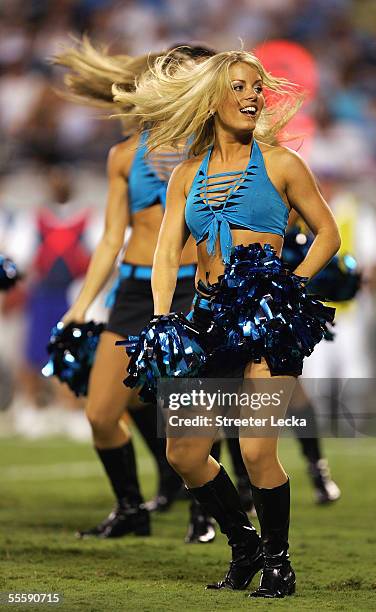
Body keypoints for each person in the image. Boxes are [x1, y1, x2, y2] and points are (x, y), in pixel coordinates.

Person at [115, 50, 340, 598]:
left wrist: (290, 285)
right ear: (212, 97)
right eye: (239, 86)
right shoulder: (186, 174)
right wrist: (166, 315)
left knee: (258, 450)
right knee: (184, 453)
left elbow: (328, 235)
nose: (252, 96)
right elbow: (167, 253)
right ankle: (245, 550)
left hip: (268, 322)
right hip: (207, 318)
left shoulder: (282, 163)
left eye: (258, 88)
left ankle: (280, 565)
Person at [54, 39, 217, 540]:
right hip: (131, 293)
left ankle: (205, 511)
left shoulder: (217, 151)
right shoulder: (124, 156)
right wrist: (80, 308)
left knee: (189, 414)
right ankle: (131, 509)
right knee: (102, 413)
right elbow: (109, 239)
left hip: (193, 289)